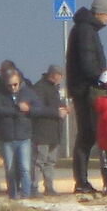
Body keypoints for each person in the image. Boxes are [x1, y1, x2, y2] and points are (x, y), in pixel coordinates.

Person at [65, 0, 107, 193]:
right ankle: (82, 181)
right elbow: (87, 64)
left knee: (89, 135)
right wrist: (104, 79)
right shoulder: (85, 31)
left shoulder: (86, 29)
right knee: (88, 135)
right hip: (86, 91)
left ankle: (85, 180)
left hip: (85, 89)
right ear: (100, 13)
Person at [0, 61, 36, 199]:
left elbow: (39, 108)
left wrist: (29, 109)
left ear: (19, 82)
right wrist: (17, 109)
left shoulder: (28, 93)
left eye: (15, 84)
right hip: (7, 138)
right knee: (10, 170)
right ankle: (13, 195)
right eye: (10, 85)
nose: (13, 87)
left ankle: (26, 195)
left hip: (24, 137)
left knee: (25, 168)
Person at [29, 64, 67, 195]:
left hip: (54, 132)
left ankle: (49, 187)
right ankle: (33, 188)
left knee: (50, 162)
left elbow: (55, 105)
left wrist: (64, 108)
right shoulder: (39, 88)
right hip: (42, 132)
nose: (62, 78)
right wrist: (56, 112)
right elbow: (35, 109)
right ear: (54, 74)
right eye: (61, 75)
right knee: (39, 162)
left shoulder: (55, 88)